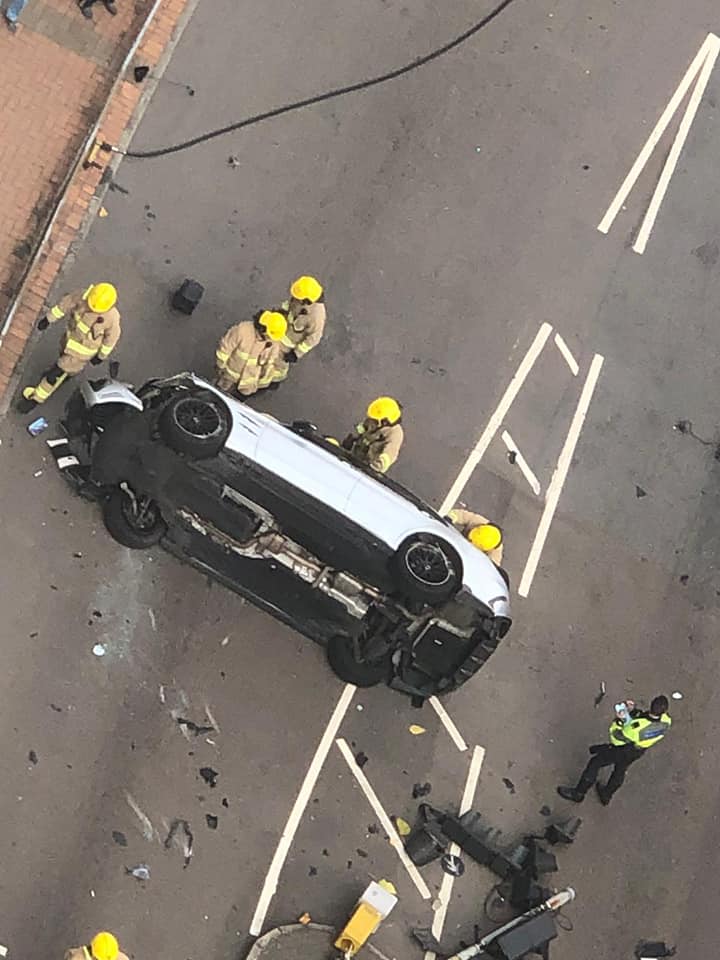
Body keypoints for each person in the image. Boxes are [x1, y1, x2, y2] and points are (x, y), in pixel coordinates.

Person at [18, 282, 121, 413]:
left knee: (53, 375)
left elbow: (111, 339)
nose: (91, 308)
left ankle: (35, 399)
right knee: (63, 365)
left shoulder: (111, 318)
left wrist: (100, 356)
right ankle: (69, 374)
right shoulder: (82, 296)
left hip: (81, 354)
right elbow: (64, 305)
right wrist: (48, 319)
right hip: (67, 341)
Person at [557, 695, 672, 805]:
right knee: (620, 770)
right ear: (664, 711)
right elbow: (645, 720)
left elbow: (617, 738)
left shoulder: (636, 728)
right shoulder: (666, 722)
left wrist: (619, 720)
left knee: (595, 762)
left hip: (624, 749)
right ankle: (606, 795)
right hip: (638, 751)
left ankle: (579, 793)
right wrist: (633, 711)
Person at [214, 310, 289, 397]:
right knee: (217, 394)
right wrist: (220, 365)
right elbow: (225, 348)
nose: (270, 339)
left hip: (247, 384)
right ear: (263, 328)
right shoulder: (242, 330)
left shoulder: (274, 343)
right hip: (229, 377)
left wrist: (262, 383)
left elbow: (269, 364)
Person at [343, 397, 404, 473]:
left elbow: (386, 459)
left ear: (384, 422)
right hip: (355, 455)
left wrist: (371, 469)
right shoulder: (374, 419)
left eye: (374, 421)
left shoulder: (395, 434)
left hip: (366, 468)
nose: (370, 422)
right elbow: (361, 429)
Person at [278, 275, 326, 361]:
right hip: (280, 329)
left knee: (278, 363)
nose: (295, 298)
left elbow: (314, 338)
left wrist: (296, 353)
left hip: (288, 343)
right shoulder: (302, 294)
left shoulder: (316, 316)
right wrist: (281, 312)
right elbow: (290, 304)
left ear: (306, 301)